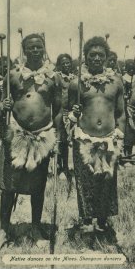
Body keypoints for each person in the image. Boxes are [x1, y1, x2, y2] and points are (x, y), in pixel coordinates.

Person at [0, 33, 62, 253]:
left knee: (37, 187)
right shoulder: (13, 75)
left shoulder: (53, 77)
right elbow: (0, 106)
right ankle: (4, 230)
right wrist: (4, 106)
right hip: (16, 136)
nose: (35, 51)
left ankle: (36, 228)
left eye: (39, 47)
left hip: (42, 137)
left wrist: (57, 137)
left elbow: (57, 109)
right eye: (31, 48)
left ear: (44, 49)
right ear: (24, 50)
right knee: (8, 186)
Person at [68, 36, 125, 234]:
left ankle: (102, 221)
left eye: (101, 55)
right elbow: (68, 110)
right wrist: (73, 114)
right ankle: (86, 220)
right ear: (85, 57)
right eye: (92, 55)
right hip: (84, 138)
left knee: (106, 181)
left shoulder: (116, 82)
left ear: (107, 57)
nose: (96, 58)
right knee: (85, 182)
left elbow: (121, 113)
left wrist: (121, 136)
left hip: (109, 139)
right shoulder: (77, 84)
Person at [55, 53, 74, 184]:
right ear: (59, 65)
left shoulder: (74, 78)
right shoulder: (57, 77)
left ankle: (66, 167)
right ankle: (60, 167)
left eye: (68, 63)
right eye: (63, 63)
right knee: (59, 141)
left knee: (68, 142)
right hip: (59, 112)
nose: (66, 65)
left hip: (72, 112)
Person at [123, 59, 135, 156]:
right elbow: (123, 95)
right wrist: (126, 95)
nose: (131, 70)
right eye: (129, 68)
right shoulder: (124, 79)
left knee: (134, 130)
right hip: (128, 108)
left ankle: (130, 152)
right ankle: (126, 153)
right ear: (126, 69)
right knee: (128, 130)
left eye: (133, 68)